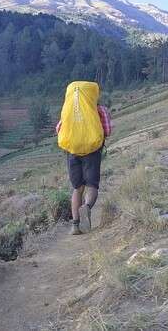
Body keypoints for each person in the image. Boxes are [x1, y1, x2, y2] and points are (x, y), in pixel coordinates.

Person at [56, 101, 112, 235]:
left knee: (77, 188)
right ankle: (86, 207)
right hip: (92, 152)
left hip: (72, 152)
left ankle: (75, 226)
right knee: (92, 185)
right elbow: (108, 131)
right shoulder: (100, 109)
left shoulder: (69, 110)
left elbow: (58, 129)